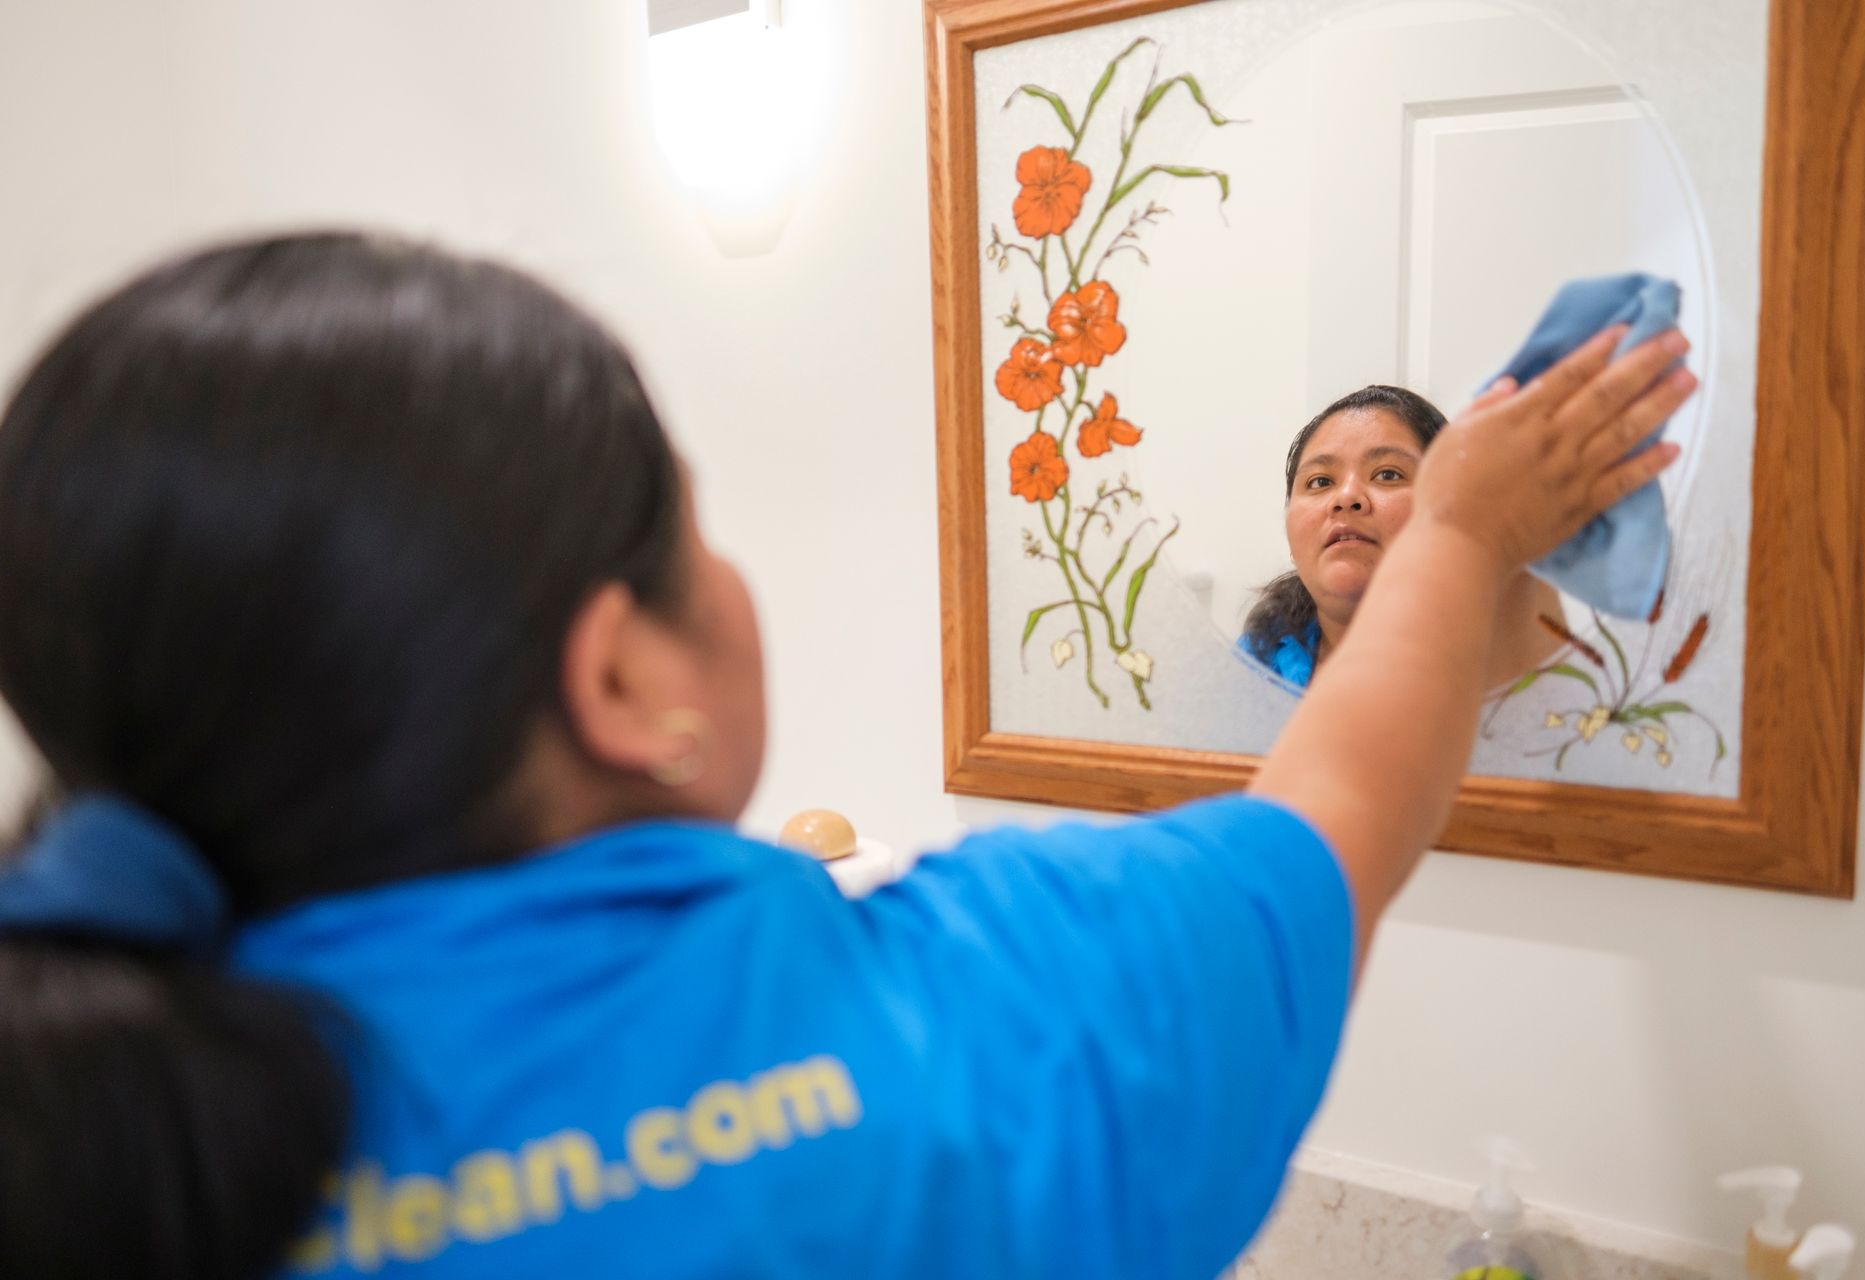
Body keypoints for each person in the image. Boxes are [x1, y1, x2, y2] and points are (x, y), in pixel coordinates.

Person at [0, 234, 1691, 1280]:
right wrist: (1464, 535)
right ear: (617, 680)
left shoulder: (76, 1107)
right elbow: (1334, 813)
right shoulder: (977, 1022)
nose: (1348, 500)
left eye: (1385, 477)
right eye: (690, 523)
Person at [1241, 385, 1573, 687]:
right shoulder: (1257, 657)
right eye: (1320, 482)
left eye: (1388, 474)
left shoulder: (1512, 667)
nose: (1346, 497)